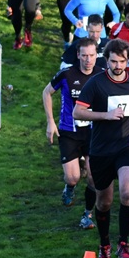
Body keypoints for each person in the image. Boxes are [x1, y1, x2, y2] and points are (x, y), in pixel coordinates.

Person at [74, 38, 129, 258]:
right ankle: (104, 244)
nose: (117, 66)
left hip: (126, 145)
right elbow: (78, 113)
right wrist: (105, 116)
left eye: (122, 61)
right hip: (100, 150)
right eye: (113, 61)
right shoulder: (96, 83)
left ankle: (124, 244)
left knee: (128, 192)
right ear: (106, 60)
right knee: (104, 202)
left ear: (128, 61)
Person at [44, 36, 105, 228]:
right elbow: (47, 92)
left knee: (94, 178)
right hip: (69, 131)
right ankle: (69, 187)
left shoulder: (103, 75)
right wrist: (50, 122)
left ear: (97, 55)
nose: (88, 60)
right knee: (73, 177)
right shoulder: (66, 74)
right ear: (78, 55)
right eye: (84, 55)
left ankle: (87, 216)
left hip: (94, 133)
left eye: (92, 55)